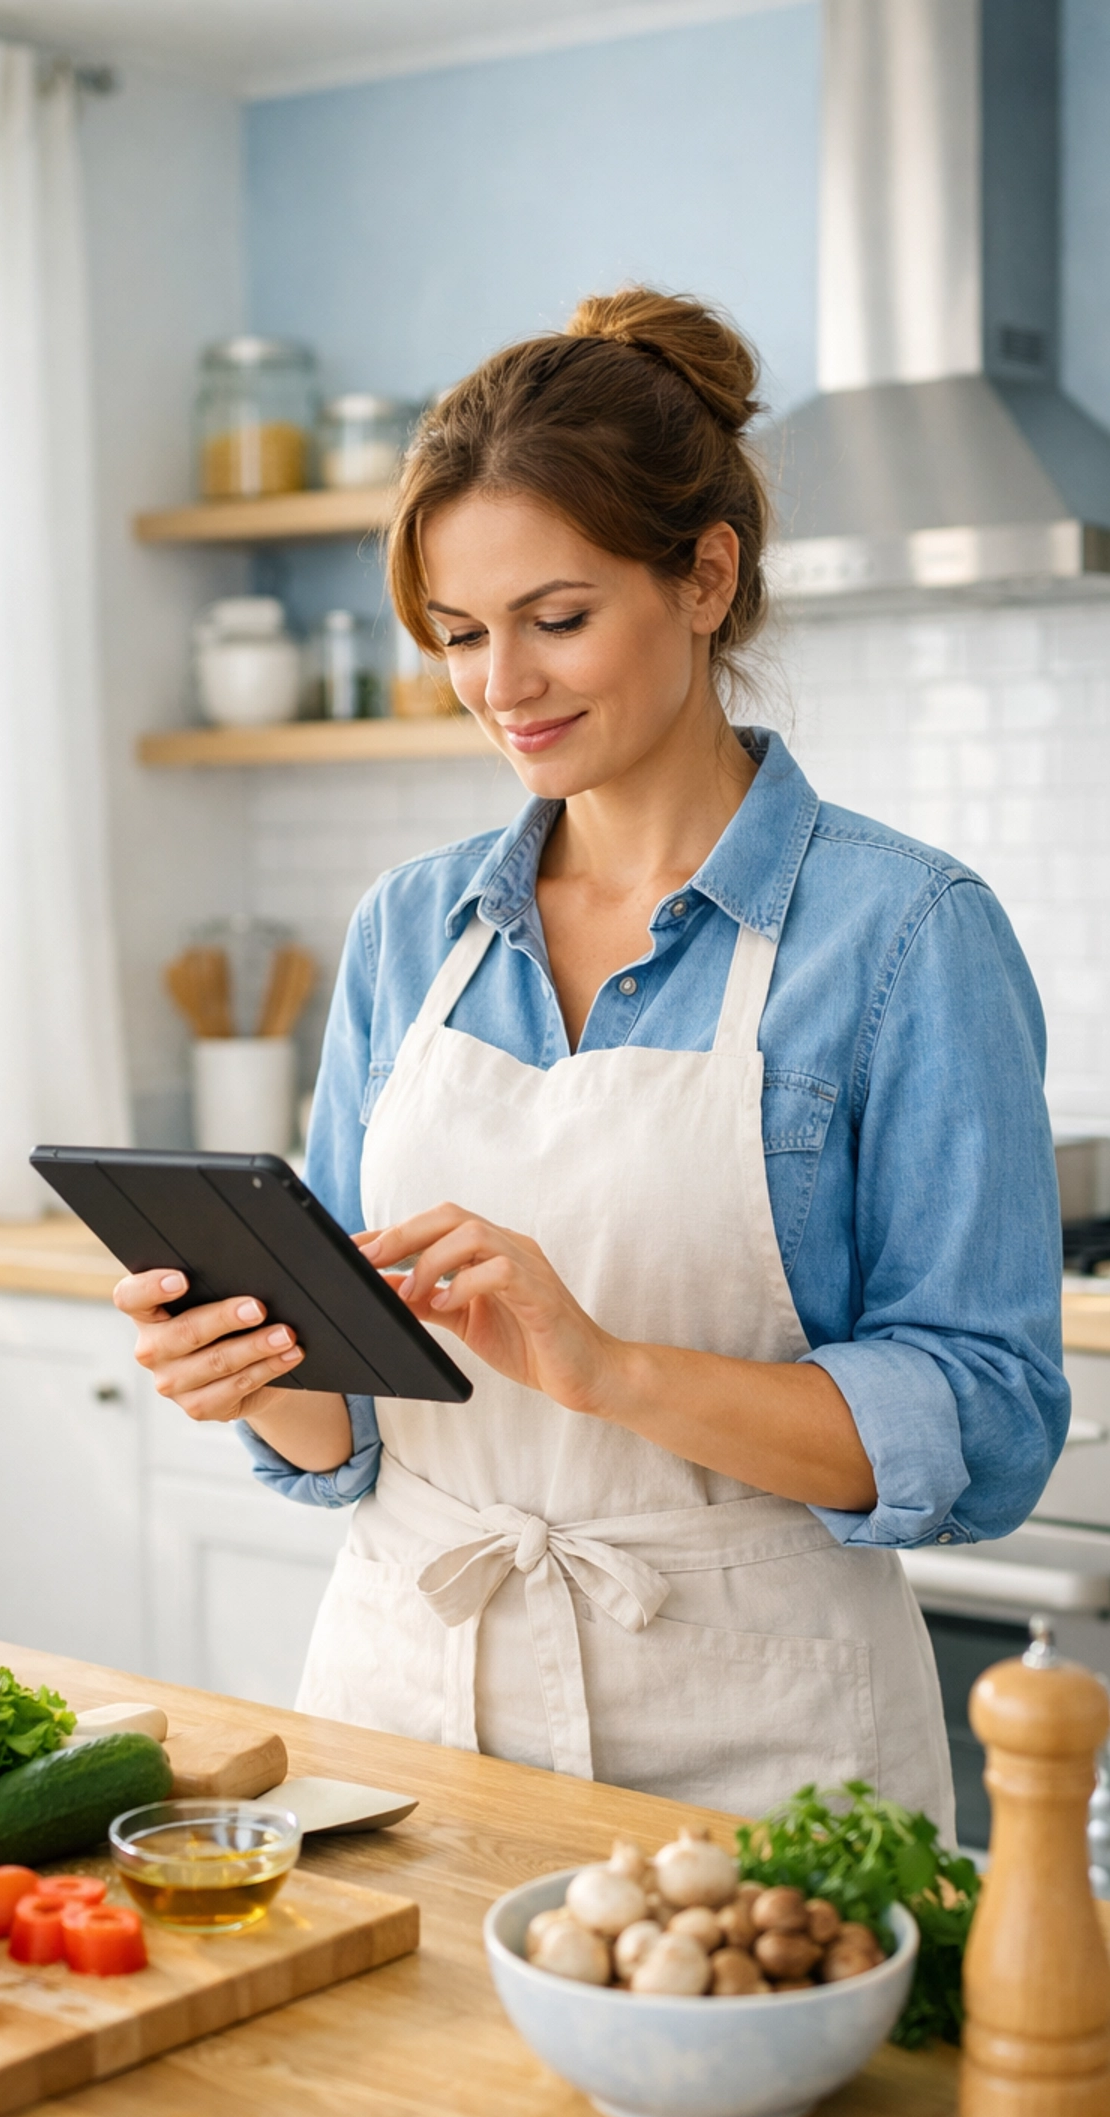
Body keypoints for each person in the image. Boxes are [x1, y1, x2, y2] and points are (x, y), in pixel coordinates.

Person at [114, 288, 1069, 1838]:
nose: (505, 685)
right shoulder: (410, 929)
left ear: (706, 576)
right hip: (404, 1710)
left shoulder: (903, 933)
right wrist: (252, 1379)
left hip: (756, 1753)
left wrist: (610, 1370)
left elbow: (991, 1420)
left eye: (558, 619)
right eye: (462, 634)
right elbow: (351, 1427)